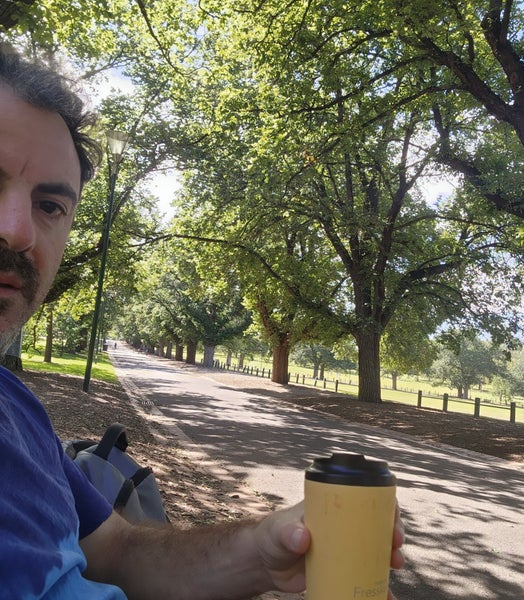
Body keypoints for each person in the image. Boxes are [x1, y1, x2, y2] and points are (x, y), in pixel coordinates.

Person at [0, 47, 405, 599]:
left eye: (50, 205)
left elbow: (116, 551)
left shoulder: (17, 408)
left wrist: (262, 551)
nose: (20, 230)